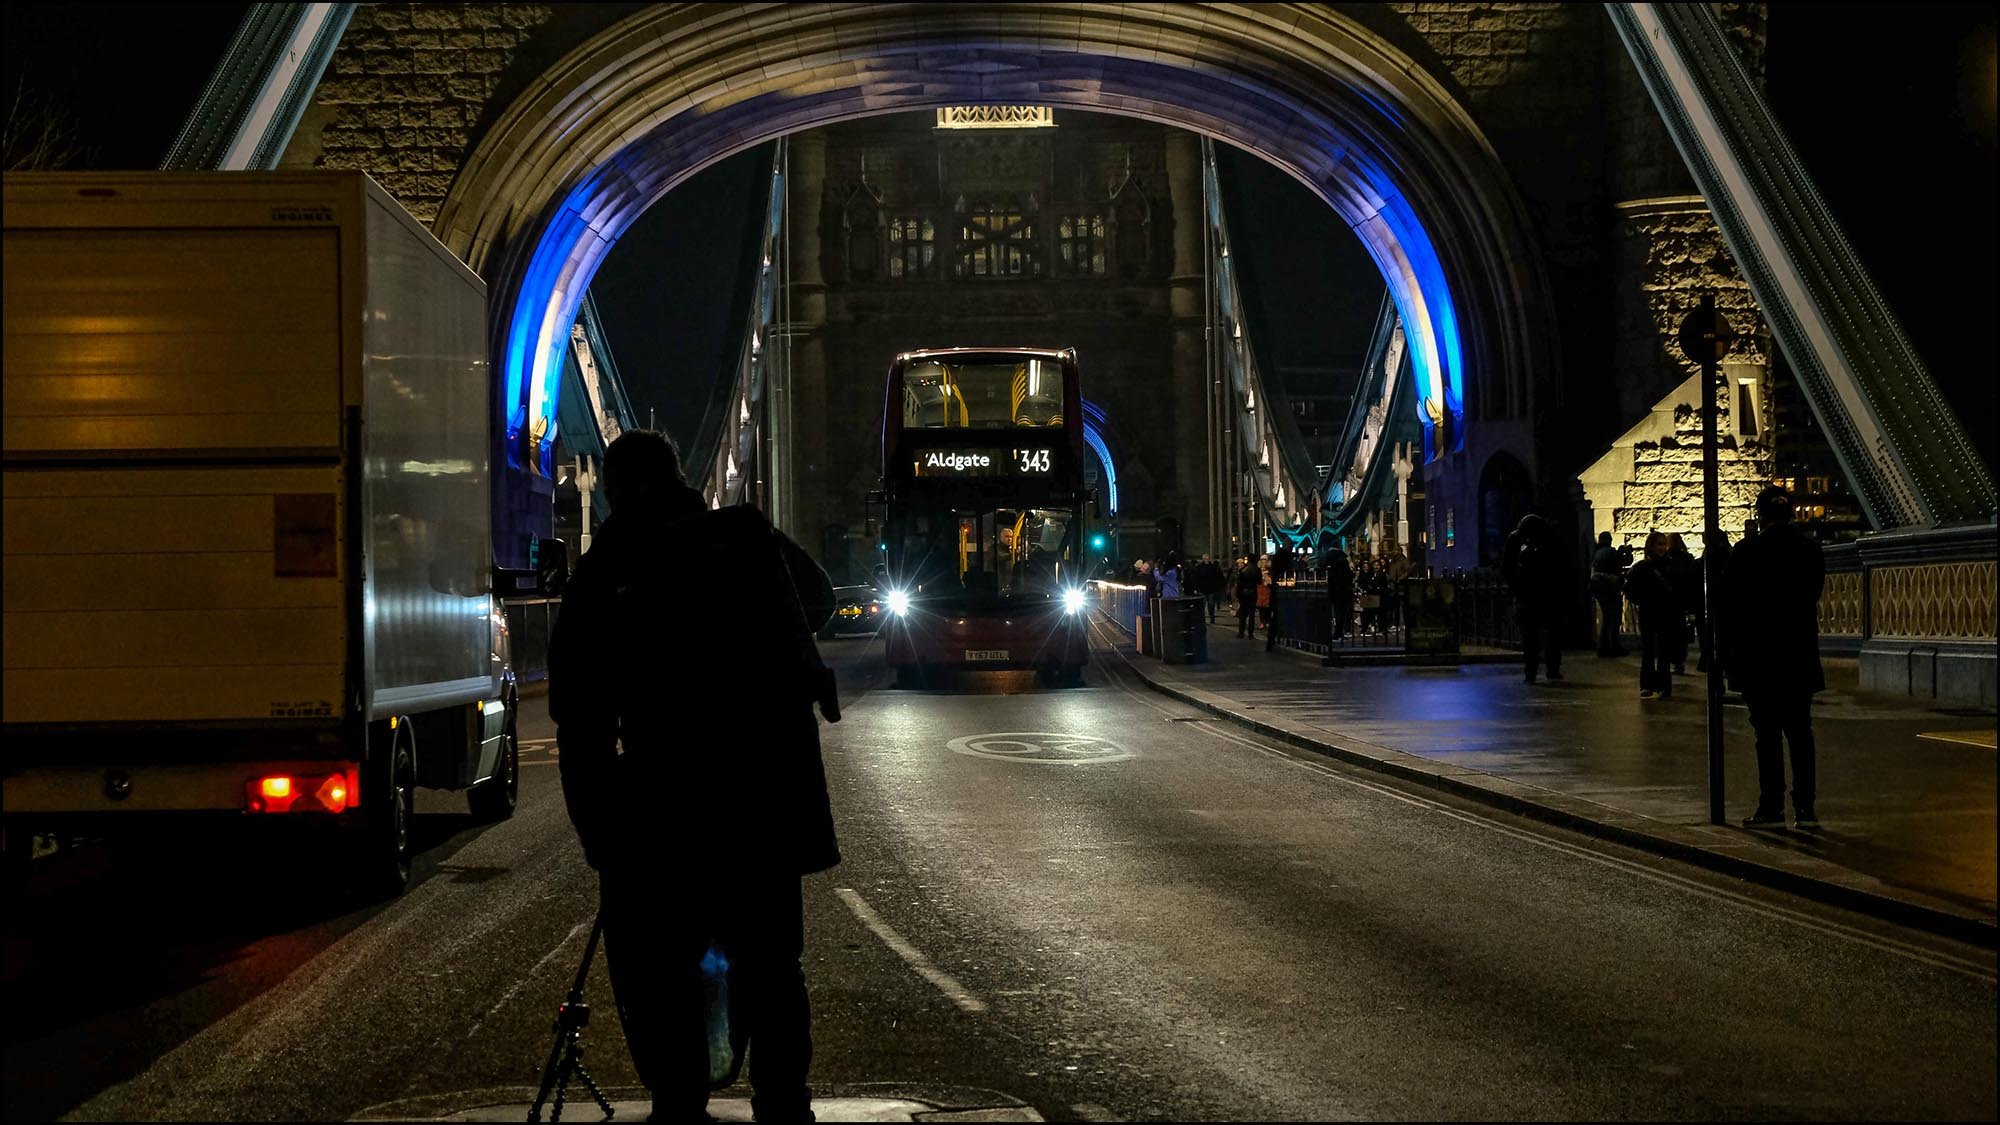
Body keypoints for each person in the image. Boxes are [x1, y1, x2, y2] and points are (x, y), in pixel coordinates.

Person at [548, 429, 840, 1123]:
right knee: (772, 963)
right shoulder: (743, 535)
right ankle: (783, 1104)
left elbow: (579, 715)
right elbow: (820, 600)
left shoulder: (607, 566)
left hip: (663, 807)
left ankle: (681, 1104)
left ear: (613, 490)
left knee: (663, 968)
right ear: (679, 476)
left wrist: (597, 827)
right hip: (764, 797)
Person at [1721, 486, 1825, 829]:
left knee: (1766, 734)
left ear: (1760, 514)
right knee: (1800, 733)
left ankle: (1771, 807)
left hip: (1760, 656)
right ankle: (1806, 808)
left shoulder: (1746, 551)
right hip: (1798, 654)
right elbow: (1812, 596)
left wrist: (1727, 658)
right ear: (1791, 513)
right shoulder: (1810, 551)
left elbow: (1731, 607)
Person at [1498, 513, 1568, 683]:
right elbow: (1562, 565)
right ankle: (1552, 669)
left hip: (1527, 596)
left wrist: (1515, 587)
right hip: (1547, 595)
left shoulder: (1516, 538)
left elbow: (1506, 567)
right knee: (1552, 636)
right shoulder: (1550, 537)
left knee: (1530, 639)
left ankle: (1531, 673)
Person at [1622, 531, 1678, 699]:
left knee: (1663, 652)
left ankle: (1662, 687)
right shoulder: (1643, 568)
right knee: (1648, 651)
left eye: (1663, 544)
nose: (1661, 548)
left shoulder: (1669, 566)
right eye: (1658, 544)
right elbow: (1630, 589)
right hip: (1650, 612)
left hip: (1665, 613)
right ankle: (1648, 685)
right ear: (1651, 546)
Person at [1664, 533, 1699, 675]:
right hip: (1683, 601)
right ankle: (1679, 660)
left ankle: (1673, 661)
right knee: (1681, 633)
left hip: (1669, 601)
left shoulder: (1666, 559)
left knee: (1670, 633)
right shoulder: (1688, 558)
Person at [1588, 531, 1627, 657]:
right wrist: (1623, 552)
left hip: (1600, 588)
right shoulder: (1609, 552)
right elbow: (1623, 562)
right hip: (1610, 588)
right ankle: (1613, 646)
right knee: (1614, 619)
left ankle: (1603, 647)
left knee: (1607, 618)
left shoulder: (1597, 553)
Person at [1326, 548, 1355, 641]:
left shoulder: (1333, 565)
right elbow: (1350, 577)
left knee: (1337, 612)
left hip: (1335, 592)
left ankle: (1337, 633)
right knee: (1342, 613)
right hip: (1345, 592)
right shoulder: (1345, 565)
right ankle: (1340, 632)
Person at [1233, 556, 1260, 638]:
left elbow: (1239, 583)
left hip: (1243, 593)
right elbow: (1259, 581)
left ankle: (1241, 632)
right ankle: (1250, 633)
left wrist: (1238, 594)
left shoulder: (1244, 570)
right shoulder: (1256, 570)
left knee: (1243, 614)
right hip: (1253, 593)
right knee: (1251, 614)